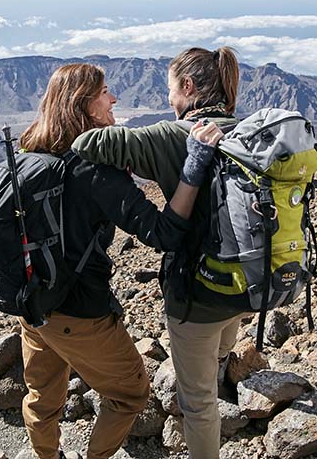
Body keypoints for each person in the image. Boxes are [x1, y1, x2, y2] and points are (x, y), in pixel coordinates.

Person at [16, 63, 223, 459]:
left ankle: (48, 455)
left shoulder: (30, 154)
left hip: (30, 302)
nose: (114, 99)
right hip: (79, 312)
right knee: (131, 393)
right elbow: (163, 233)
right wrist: (194, 166)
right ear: (86, 106)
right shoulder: (96, 169)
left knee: (42, 394)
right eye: (106, 92)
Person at [71, 47, 244, 459]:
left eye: (170, 89)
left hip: (197, 295)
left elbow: (87, 143)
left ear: (187, 87)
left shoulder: (172, 137)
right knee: (217, 352)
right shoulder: (242, 130)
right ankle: (220, 367)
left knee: (198, 404)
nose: (168, 98)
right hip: (245, 283)